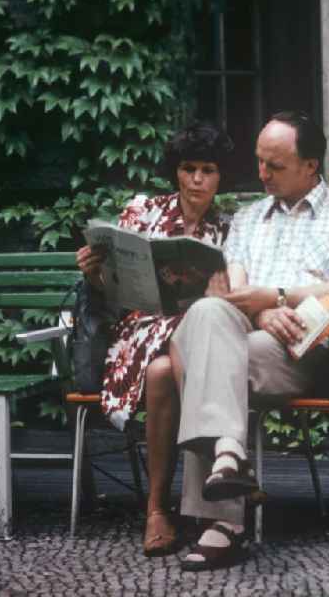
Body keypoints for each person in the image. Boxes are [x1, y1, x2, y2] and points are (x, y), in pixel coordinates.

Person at [168, 110, 329, 571]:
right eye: (259, 162)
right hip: (253, 335)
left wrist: (280, 296)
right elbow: (236, 294)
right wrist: (264, 309)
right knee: (206, 312)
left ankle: (225, 517)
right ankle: (229, 459)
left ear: (310, 165)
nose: (262, 173)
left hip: (313, 343)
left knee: (200, 357)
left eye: (275, 165)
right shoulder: (246, 219)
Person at [75, 121, 234, 557]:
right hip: (140, 332)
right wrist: (96, 273)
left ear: (221, 176)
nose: (197, 179)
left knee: (165, 370)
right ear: (175, 172)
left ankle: (159, 508)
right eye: (188, 169)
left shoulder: (228, 228)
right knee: (161, 357)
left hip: (193, 338)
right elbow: (115, 295)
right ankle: (202, 487)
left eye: (207, 170)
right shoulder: (143, 212)